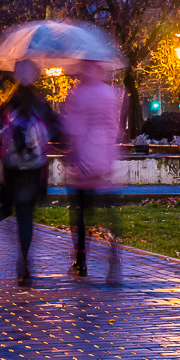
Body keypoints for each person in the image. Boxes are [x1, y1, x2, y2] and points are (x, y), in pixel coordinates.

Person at [0, 60, 59, 287]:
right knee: (26, 216)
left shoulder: (7, 105)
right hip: (35, 171)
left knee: (16, 214)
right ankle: (25, 259)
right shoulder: (41, 105)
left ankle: (21, 256)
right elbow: (57, 132)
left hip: (12, 171)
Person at [61, 60, 124, 283]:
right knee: (106, 210)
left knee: (79, 210)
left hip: (85, 158)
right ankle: (114, 259)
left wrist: (72, 155)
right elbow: (114, 127)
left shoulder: (79, 93)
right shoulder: (110, 93)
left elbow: (75, 128)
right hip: (104, 158)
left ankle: (80, 260)